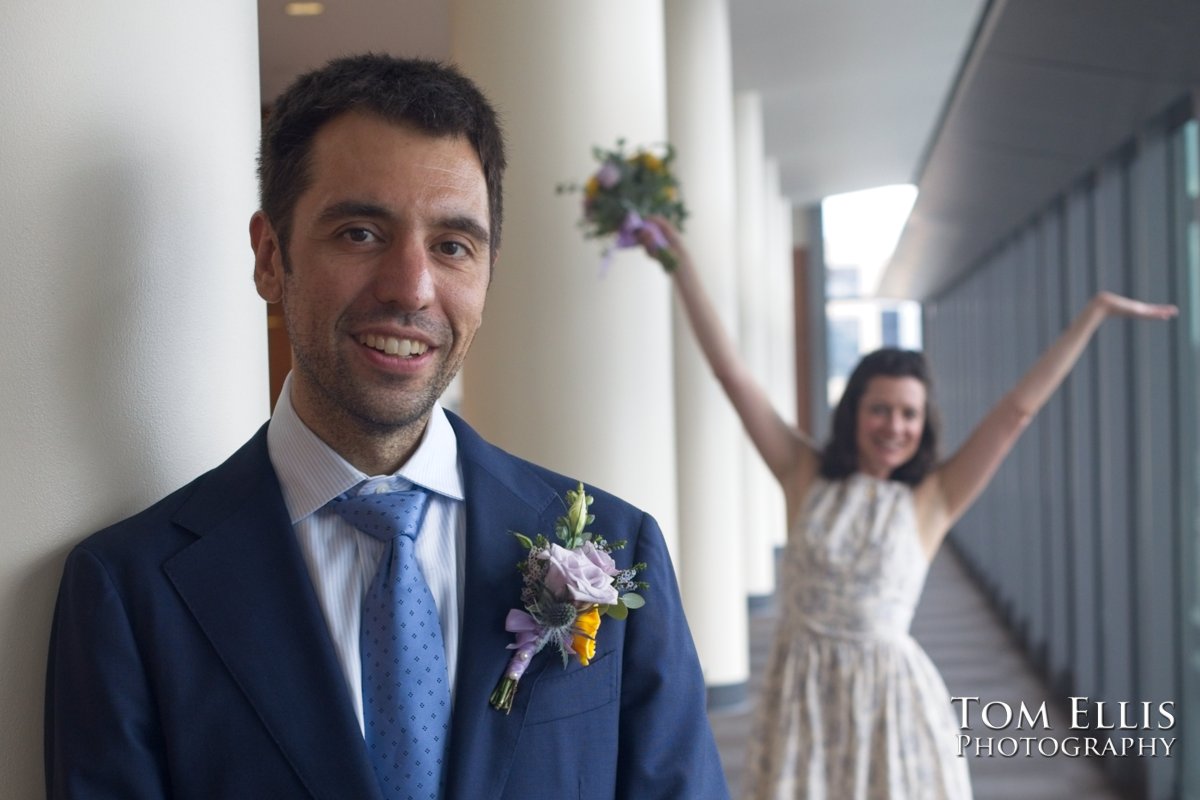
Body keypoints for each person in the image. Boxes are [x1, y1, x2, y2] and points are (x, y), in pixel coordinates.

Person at [44, 55, 729, 800]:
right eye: (361, 233)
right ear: (271, 258)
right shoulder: (130, 592)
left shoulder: (621, 552)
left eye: (452, 245)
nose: (411, 287)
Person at [638, 217, 1176, 800]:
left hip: (892, 705)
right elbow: (730, 373)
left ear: (925, 424)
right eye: (881, 409)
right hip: (803, 697)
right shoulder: (805, 472)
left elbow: (1016, 412)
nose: (895, 426)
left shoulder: (933, 498)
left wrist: (1092, 314)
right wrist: (680, 266)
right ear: (855, 411)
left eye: (909, 414)